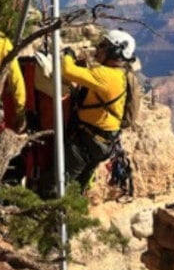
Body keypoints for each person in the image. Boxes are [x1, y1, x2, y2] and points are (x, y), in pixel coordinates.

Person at [58, 29, 136, 190]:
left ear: (115, 51)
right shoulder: (121, 74)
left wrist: (68, 55)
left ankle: (53, 213)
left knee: (59, 185)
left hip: (88, 140)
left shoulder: (106, 75)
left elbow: (67, 70)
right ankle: (71, 212)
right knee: (79, 186)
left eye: (103, 46)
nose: (98, 48)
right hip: (103, 142)